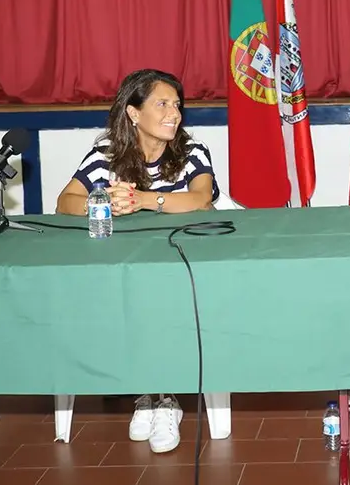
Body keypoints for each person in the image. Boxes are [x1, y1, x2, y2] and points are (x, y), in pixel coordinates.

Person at [55, 68, 220, 453]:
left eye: (177, 105)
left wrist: (146, 199)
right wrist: (106, 202)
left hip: (183, 263)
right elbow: (65, 203)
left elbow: (201, 199)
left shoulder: (192, 152)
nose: (174, 113)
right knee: (123, 297)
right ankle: (149, 393)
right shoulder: (105, 155)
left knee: (162, 299)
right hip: (125, 264)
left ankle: (164, 399)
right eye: (162, 104)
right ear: (132, 112)